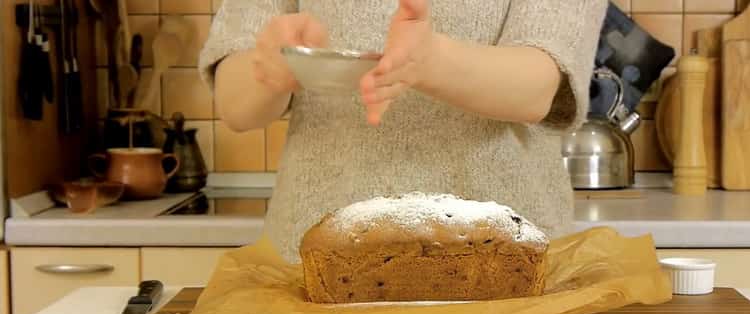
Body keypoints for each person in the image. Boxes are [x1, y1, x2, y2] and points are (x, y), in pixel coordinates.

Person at [200, 0, 608, 262]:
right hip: (313, 266)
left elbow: (538, 88)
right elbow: (236, 105)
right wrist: (268, 66)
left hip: (504, 265)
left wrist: (431, 62)